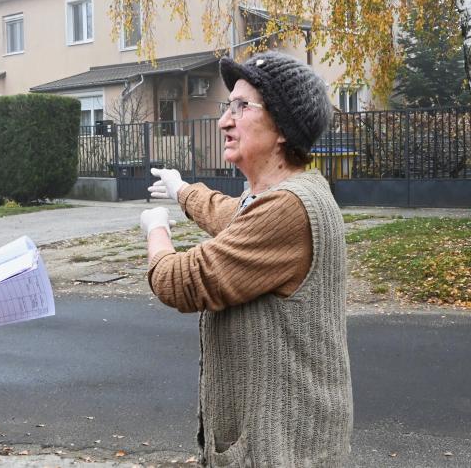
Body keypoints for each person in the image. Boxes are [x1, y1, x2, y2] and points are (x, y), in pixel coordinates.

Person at [140, 51, 353, 466]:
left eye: (242, 107)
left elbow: (182, 280)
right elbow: (231, 213)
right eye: (227, 106)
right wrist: (181, 189)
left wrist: (156, 229)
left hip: (284, 451)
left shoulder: (288, 207)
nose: (224, 120)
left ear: (283, 129)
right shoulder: (285, 194)